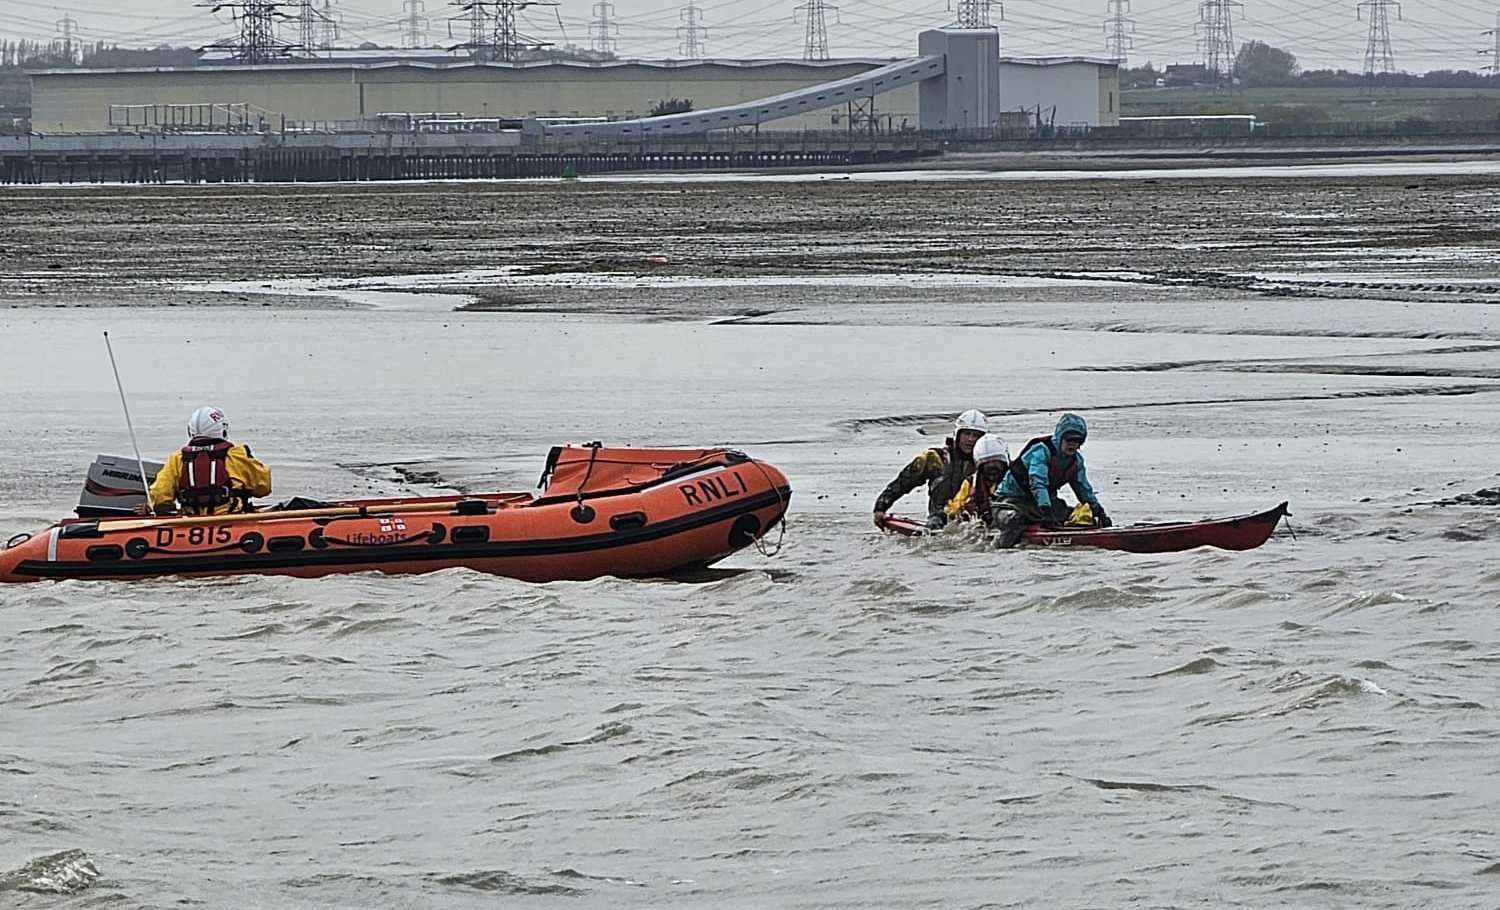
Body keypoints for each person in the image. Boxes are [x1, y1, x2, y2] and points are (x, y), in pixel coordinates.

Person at [991, 412, 1110, 548]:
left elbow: (1083, 489)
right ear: (1060, 437)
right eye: (1069, 440)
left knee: (1075, 517)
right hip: (1011, 500)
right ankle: (1002, 548)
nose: (1073, 444)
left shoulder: (1076, 461)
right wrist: (1046, 510)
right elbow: (1038, 483)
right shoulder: (1040, 452)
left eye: (1077, 441)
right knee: (1014, 519)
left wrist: (1098, 511)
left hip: (1041, 503)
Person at [873, 409, 987, 530]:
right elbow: (903, 482)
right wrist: (881, 507)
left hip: (976, 520)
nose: (970, 439)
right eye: (967, 434)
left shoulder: (989, 463)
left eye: (975, 435)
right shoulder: (934, 458)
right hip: (938, 520)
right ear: (957, 434)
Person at [148, 406, 272, 516]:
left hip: (190, 522)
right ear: (222, 429)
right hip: (231, 519)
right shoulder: (236, 455)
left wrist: (160, 509)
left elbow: (160, 495)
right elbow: (263, 488)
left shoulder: (177, 458)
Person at [943, 434, 1009, 526]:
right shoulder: (971, 483)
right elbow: (954, 509)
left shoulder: (1015, 479)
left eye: (996, 464)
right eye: (987, 466)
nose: (992, 469)